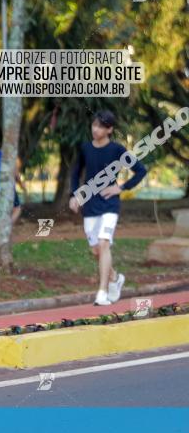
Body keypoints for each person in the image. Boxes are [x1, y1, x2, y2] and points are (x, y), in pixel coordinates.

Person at [69, 110, 147, 306]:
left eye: (101, 126)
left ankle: (102, 293)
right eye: (94, 125)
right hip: (90, 206)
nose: (96, 129)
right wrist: (75, 195)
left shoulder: (117, 150)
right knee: (96, 250)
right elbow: (75, 173)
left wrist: (120, 187)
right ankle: (115, 278)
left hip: (110, 204)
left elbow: (141, 170)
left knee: (104, 244)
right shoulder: (85, 148)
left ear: (109, 129)